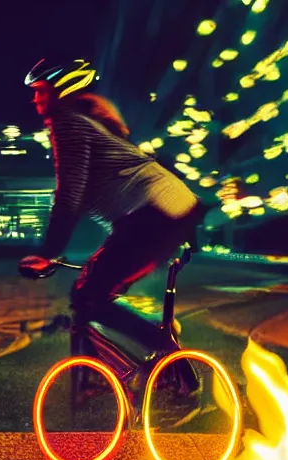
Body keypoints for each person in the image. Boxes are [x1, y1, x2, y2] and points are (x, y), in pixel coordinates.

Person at [19, 58, 205, 359]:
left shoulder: (67, 122)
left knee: (89, 297)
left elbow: (70, 193)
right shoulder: (88, 123)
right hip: (167, 212)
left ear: (59, 90)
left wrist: (47, 251)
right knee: (95, 289)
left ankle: (167, 351)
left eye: (40, 90)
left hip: (154, 213)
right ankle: (156, 355)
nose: (34, 98)